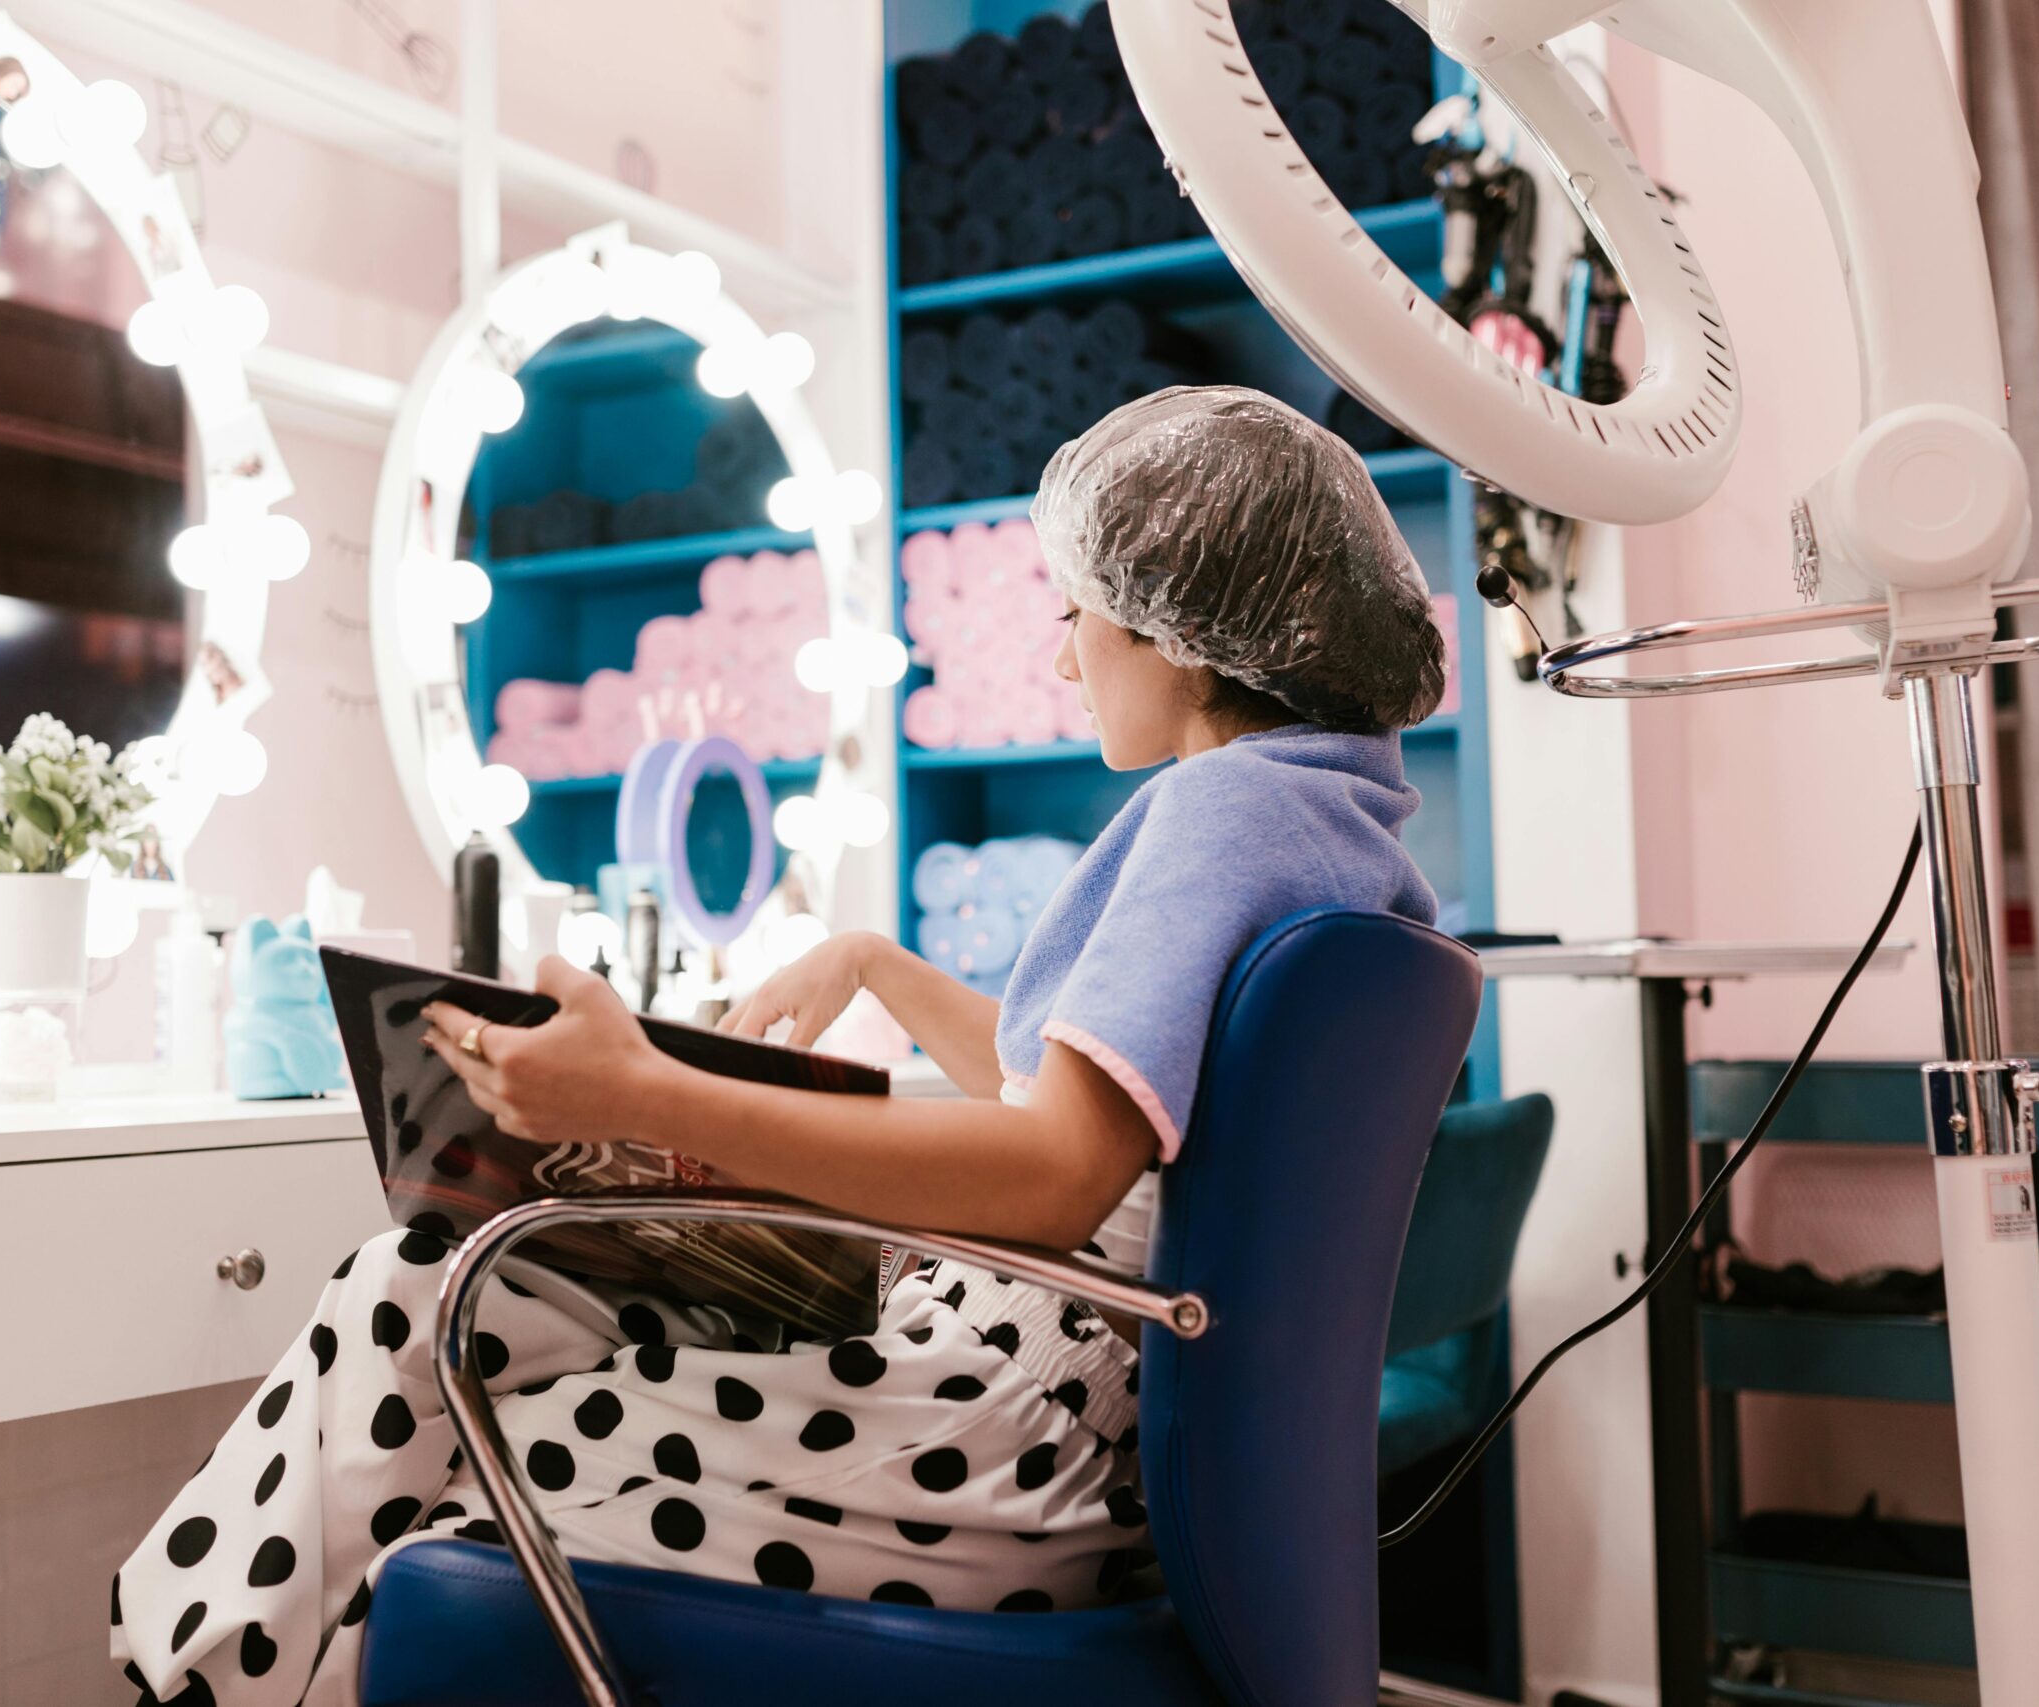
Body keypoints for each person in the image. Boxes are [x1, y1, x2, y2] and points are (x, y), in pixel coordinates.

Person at [112, 387, 1452, 1707]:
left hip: (996, 1440)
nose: (1060, 658)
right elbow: (1121, 1114)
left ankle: (175, 1680)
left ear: (1185, 630)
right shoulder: (1328, 819)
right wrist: (876, 964)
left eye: (1073, 613)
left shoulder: (1215, 817)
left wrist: (648, 1089)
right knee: (434, 1292)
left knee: (451, 1416)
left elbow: (1058, 1174)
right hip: (1059, 1426)